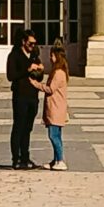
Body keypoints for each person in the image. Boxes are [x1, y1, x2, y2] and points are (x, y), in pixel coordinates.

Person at [6, 28, 41, 168]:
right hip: (20, 96)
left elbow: (39, 77)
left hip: (33, 96)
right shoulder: (14, 55)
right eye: (31, 43)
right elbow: (11, 76)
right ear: (23, 42)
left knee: (28, 129)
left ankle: (25, 157)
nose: (33, 46)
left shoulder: (34, 55)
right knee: (18, 127)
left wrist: (39, 70)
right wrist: (27, 70)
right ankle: (16, 159)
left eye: (34, 43)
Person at [38, 39, 71, 170]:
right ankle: (56, 160)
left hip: (56, 108)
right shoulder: (59, 71)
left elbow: (50, 89)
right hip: (56, 107)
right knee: (57, 135)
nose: (50, 58)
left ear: (56, 56)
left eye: (51, 55)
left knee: (53, 135)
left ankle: (60, 160)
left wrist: (36, 85)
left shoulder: (58, 73)